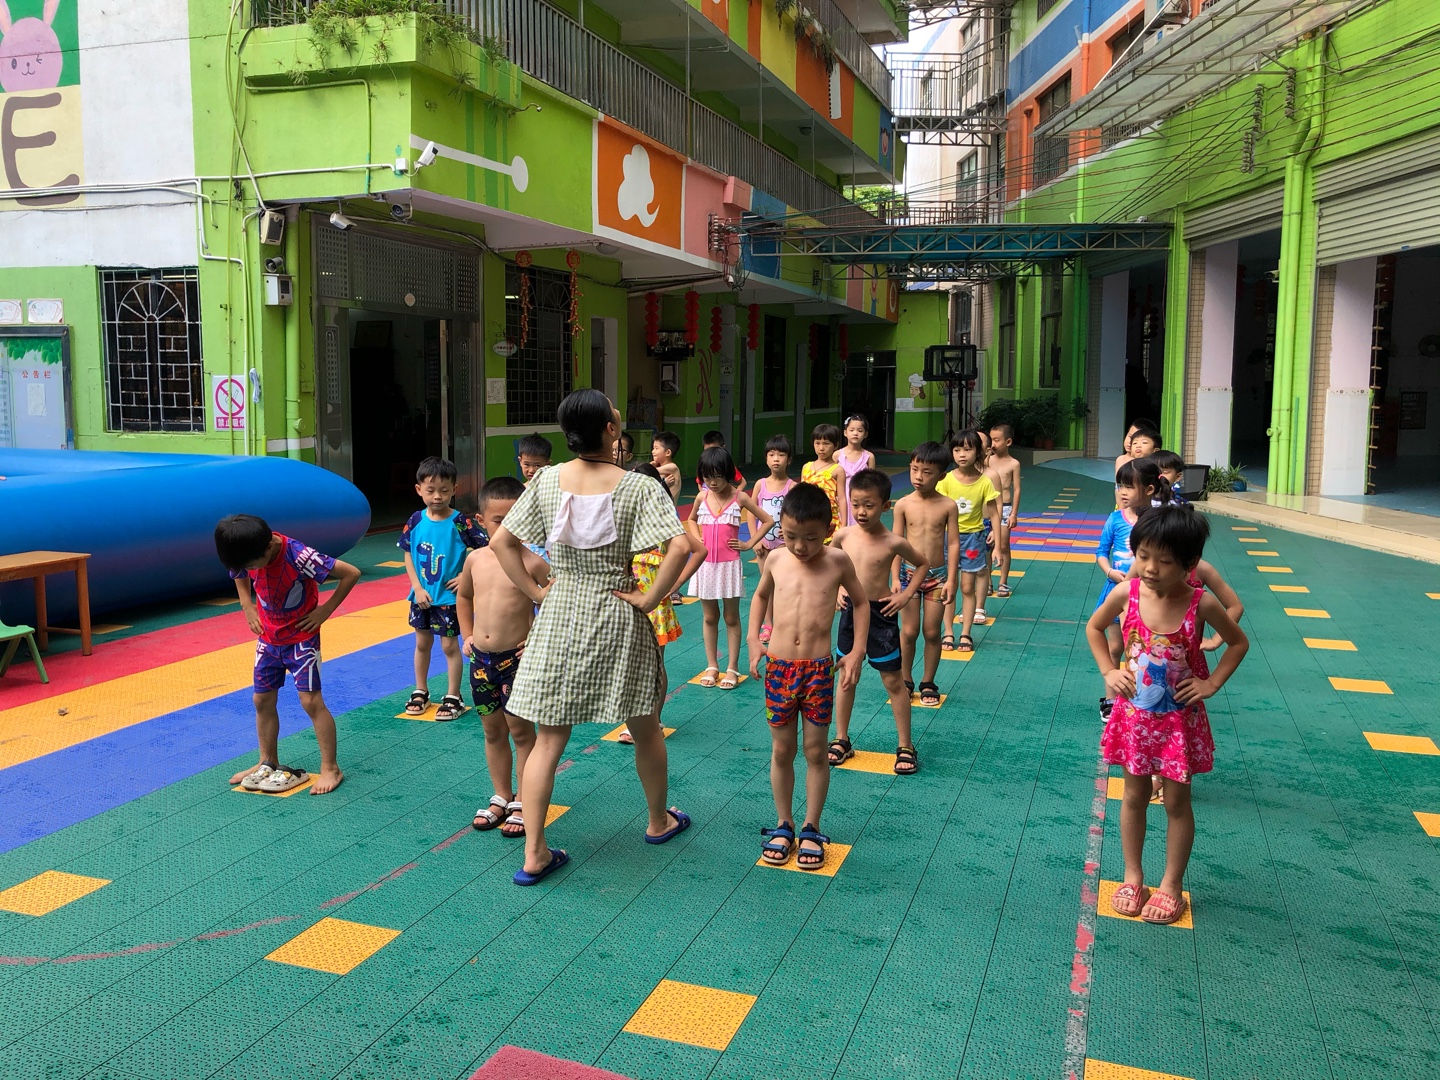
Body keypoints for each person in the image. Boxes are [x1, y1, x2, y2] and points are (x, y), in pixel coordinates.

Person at [489, 389, 693, 886]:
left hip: (560, 610)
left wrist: (537, 592)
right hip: (618, 608)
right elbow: (680, 546)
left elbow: (502, 542)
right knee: (645, 725)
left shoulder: (547, 480)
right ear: (610, 429)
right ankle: (658, 821)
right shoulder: (637, 486)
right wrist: (650, 599)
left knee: (549, 739)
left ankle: (534, 852)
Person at [1086, 505, 1248, 926]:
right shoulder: (1127, 593)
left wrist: (1210, 685)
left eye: (1165, 561)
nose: (1150, 568)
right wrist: (1109, 671)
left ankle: (1171, 885)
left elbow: (1238, 643)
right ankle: (1132, 876)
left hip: (1178, 722)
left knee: (1176, 802)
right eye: (1143, 556)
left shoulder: (1201, 603)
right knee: (1134, 796)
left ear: (1190, 565)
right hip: (1135, 719)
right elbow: (1094, 628)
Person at [748, 483, 868, 870]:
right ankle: (784, 824)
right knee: (782, 750)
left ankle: (811, 826)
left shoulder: (837, 561)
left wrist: (856, 650)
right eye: (791, 536)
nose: (800, 546)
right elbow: (760, 596)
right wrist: (754, 639)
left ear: (828, 530)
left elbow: (861, 603)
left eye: (811, 538)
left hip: (817, 670)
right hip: (780, 667)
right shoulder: (775, 559)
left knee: (816, 751)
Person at [215, 514, 360, 795]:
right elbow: (238, 572)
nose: (247, 570)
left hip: (301, 640)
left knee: (310, 701)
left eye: (251, 565)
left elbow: (351, 573)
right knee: (261, 699)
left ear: (269, 547)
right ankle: (266, 761)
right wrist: (246, 604)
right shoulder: (245, 550)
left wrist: (325, 610)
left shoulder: (300, 556)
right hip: (268, 638)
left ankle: (331, 767)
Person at [456, 476, 549, 836]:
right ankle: (501, 794)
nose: (508, 527)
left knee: (521, 732)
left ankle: (525, 799)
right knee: (492, 731)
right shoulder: (475, 559)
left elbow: (556, 603)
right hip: (481, 661)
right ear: (481, 520)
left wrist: (537, 638)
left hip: (517, 662)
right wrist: (467, 634)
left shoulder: (533, 563)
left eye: (515, 519)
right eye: (499, 520)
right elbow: (464, 597)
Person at [829, 469, 929, 775]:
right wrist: (838, 589)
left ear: (885, 506)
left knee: (893, 681)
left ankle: (905, 745)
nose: (861, 511)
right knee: (846, 676)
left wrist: (906, 595)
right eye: (856, 504)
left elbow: (923, 563)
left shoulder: (893, 542)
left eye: (869, 505)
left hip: (881, 615)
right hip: (850, 613)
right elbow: (829, 564)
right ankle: (841, 738)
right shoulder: (843, 535)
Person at [617, 462, 707, 745]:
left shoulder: (664, 524)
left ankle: (654, 719)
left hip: (656, 606)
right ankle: (636, 719)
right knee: (631, 664)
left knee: (654, 665)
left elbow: (699, 550)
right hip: (629, 604)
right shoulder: (626, 523)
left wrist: (675, 584)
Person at [399, 457, 488, 721]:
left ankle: (453, 695)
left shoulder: (460, 522)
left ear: (454, 490)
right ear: (419, 490)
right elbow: (408, 553)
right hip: (421, 597)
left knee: (450, 646)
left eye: (444, 490)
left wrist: (464, 576)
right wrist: (417, 587)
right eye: (431, 490)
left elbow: (485, 548)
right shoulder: (415, 520)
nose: (437, 496)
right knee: (422, 643)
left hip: (448, 598)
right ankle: (420, 690)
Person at [686, 446, 774, 690]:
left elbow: (767, 520)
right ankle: (712, 665)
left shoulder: (740, 497)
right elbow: (691, 519)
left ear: (728, 474)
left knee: (731, 617)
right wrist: (696, 538)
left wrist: (748, 543)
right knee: (709, 616)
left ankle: (732, 667)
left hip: (729, 566)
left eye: (718, 476)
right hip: (706, 566)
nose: (713, 482)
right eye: (707, 477)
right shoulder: (702, 498)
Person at [1095, 459, 1169, 719]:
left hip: (1146, 594)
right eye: (1120, 486)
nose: (1122, 492)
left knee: (1140, 649)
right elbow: (1101, 552)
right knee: (1115, 647)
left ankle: (1140, 697)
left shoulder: (1159, 522)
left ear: (1149, 490)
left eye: (1129, 486)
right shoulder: (1115, 519)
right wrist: (1110, 572)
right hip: (1116, 591)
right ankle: (1110, 699)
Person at [892, 441, 959, 705]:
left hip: (938, 578)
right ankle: (905, 680)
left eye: (927, 472)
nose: (918, 477)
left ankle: (928, 681)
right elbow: (896, 544)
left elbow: (953, 543)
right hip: (908, 575)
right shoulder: (903, 504)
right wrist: (895, 578)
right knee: (909, 631)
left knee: (932, 632)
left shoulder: (947, 505)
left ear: (941, 476)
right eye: (914, 469)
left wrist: (952, 579)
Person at [936, 431, 1002, 656]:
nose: (962, 455)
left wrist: (998, 543)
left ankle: (966, 632)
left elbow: (994, 513)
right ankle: (948, 631)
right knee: (949, 586)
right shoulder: (945, 480)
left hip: (974, 538)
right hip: (948, 538)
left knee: (967, 587)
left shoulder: (984, 482)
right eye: (957, 450)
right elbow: (937, 509)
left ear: (978, 453)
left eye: (967, 449)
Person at [750, 434, 795, 645]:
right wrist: (755, 539)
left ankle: (785, 623)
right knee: (766, 586)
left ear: (789, 459)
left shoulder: (792, 487)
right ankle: (768, 624)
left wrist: (789, 535)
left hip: (785, 547)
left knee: (785, 586)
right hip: (764, 546)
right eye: (771, 454)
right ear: (766, 459)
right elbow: (751, 513)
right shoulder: (760, 485)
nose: (776, 459)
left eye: (781, 455)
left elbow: (795, 516)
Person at [987, 422, 1023, 596]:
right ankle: (987, 581)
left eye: (996, 440)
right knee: (986, 546)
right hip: (987, 507)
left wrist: (1014, 514)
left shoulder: (1013, 463)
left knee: (1003, 545)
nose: (993, 444)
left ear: (1008, 442)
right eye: (991, 440)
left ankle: (1003, 581)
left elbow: (1017, 489)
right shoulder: (987, 460)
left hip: (1006, 507)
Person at [800, 423, 843, 537]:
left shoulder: (838, 470)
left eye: (826, 443)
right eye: (817, 443)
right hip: (808, 517)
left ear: (836, 445)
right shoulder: (806, 467)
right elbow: (800, 496)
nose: (821, 448)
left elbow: (842, 498)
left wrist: (844, 524)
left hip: (829, 519)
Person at [835, 414, 877, 526]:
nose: (855, 433)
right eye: (851, 430)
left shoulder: (869, 457)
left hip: (861, 499)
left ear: (865, 434)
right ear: (845, 432)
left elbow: (872, 483)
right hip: (841, 498)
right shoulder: (837, 455)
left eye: (860, 430)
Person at [651, 430, 683, 503]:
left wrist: (650, 466)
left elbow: (648, 471)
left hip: (668, 509)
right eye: (653, 448)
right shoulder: (658, 467)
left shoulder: (673, 467)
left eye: (656, 448)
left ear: (668, 452)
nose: (653, 451)